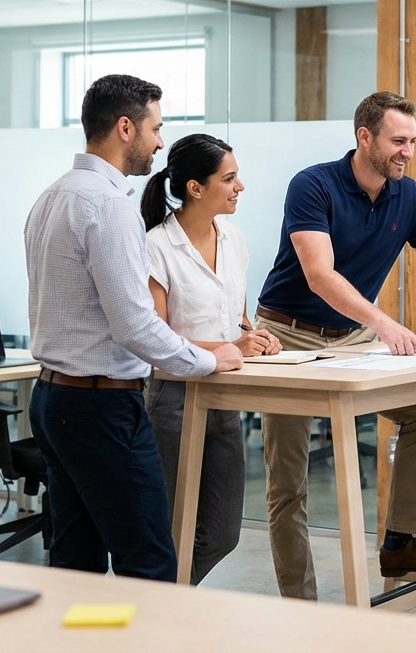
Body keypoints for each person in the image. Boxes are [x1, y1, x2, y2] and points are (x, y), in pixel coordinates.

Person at [253, 91, 416, 600]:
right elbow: (320, 276)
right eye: (398, 140)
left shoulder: (408, 195)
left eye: (412, 141)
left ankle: (400, 542)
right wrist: (385, 324)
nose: (408, 151)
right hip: (287, 335)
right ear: (365, 137)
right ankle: (302, 604)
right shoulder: (312, 185)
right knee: (287, 484)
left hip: (353, 335)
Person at [24, 74, 244, 583]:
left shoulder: (52, 195)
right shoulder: (108, 206)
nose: (161, 142)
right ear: (126, 128)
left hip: (53, 400)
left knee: (74, 560)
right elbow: (135, 324)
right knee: (149, 560)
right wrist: (211, 358)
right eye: (155, 128)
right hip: (102, 408)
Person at [139, 133, 281, 585]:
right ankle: (158, 612)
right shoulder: (156, 246)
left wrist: (253, 337)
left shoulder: (234, 239)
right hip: (174, 399)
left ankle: (161, 597)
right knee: (170, 528)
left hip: (223, 397)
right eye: (230, 178)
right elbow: (156, 340)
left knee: (222, 531)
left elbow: (234, 317)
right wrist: (228, 349)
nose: (240, 187)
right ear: (195, 188)